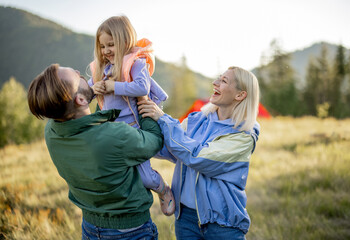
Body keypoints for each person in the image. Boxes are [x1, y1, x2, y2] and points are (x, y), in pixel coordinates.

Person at [27, 64, 163, 240]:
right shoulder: (114, 136)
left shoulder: (51, 131)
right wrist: (143, 100)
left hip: (90, 226)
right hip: (130, 230)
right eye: (77, 77)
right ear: (81, 100)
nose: (79, 72)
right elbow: (154, 141)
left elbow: (90, 125)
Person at [138, 66, 260, 240]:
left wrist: (164, 119)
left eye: (224, 81)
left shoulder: (243, 135)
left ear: (240, 95)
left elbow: (198, 157)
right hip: (185, 219)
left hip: (222, 223)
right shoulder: (197, 120)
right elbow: (171, 149)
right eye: (219, 77)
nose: (215, 82)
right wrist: (138, 124)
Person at [87, 15, 175, 216]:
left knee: (152, 173)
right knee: (124, 175)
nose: (106, 50)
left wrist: (112, 86)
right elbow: (90, 93)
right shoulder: (105, 69)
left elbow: (141, 86)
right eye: (102, 46)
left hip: (135, 131)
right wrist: (95, 89)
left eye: (111, 44)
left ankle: (164, 189)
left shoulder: (136, 63)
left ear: (125, 41)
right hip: (113, 134)